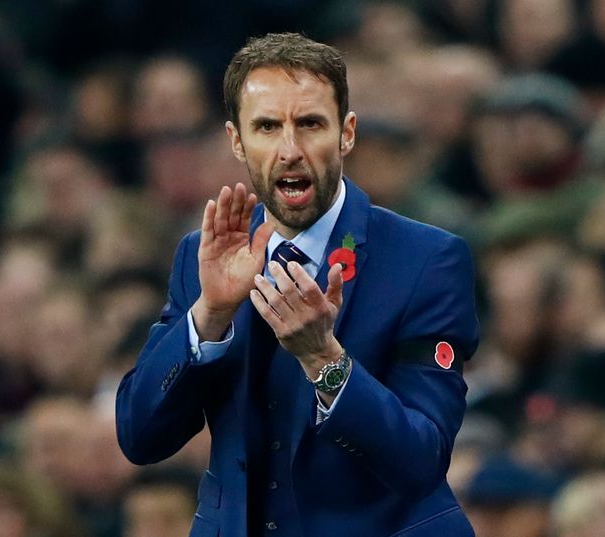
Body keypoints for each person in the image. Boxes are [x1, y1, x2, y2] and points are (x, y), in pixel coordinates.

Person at [116, 32, 480, 537]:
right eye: (267, 127)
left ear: (346, 133)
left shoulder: (426, 260)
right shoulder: (201, 257)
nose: (290, 149)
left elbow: (421, 461)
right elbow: (140, 438)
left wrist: (324, 361)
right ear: (237, 141)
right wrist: (210, 315)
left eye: (309, 124)